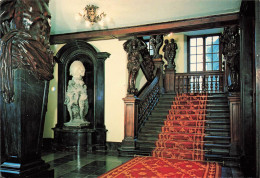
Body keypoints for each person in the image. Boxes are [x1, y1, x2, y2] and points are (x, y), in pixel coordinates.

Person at [64, 61, 90, 127]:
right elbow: (69, 91)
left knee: (81, 106)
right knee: (70, 105)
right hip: (72, 95)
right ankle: (72, 119)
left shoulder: (81, 83)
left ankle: (81, 119)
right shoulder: (71, 82)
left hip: (81, 96)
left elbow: (83, 91)